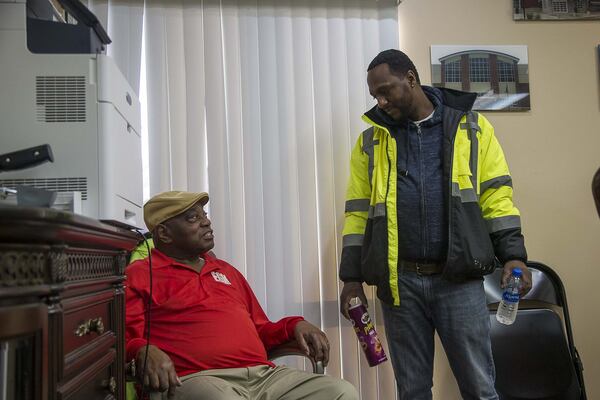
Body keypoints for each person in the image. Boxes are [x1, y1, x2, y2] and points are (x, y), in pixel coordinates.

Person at [338, 49, 532, 400]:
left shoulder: (471, 128)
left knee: (479, 387)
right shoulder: (371, 141)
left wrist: (514, 255)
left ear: (410, 79)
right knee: (412, 390)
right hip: (400, 284)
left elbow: (496, 196)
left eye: (385, 91)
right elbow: (358, 213)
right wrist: (351, 277)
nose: (380, 102)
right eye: (374, 96)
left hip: (458, 279)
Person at [126, 191, 358, 400]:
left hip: (262, 376)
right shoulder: (140, 274)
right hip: (196, 380)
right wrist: (142, 349)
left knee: (340, 392)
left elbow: (260, 329)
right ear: (165, 233)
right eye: (193, 218)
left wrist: (295, 325)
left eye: (204, 215)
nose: (206, 221)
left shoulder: (226, 271)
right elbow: (125, 338)